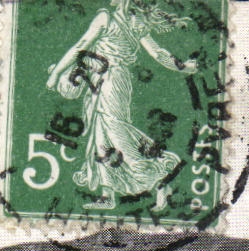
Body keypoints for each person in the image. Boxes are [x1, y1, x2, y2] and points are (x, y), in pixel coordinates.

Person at [45, 0, 198, 210]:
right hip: (108, 81)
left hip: (110, 82)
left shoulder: (107, 18)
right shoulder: (136, 23)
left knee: (115, 133)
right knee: (102, 134)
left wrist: (55, 74)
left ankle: (160, 178)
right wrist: (184, 67)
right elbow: (159, 53)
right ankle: (108, 194)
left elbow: (80, 47)